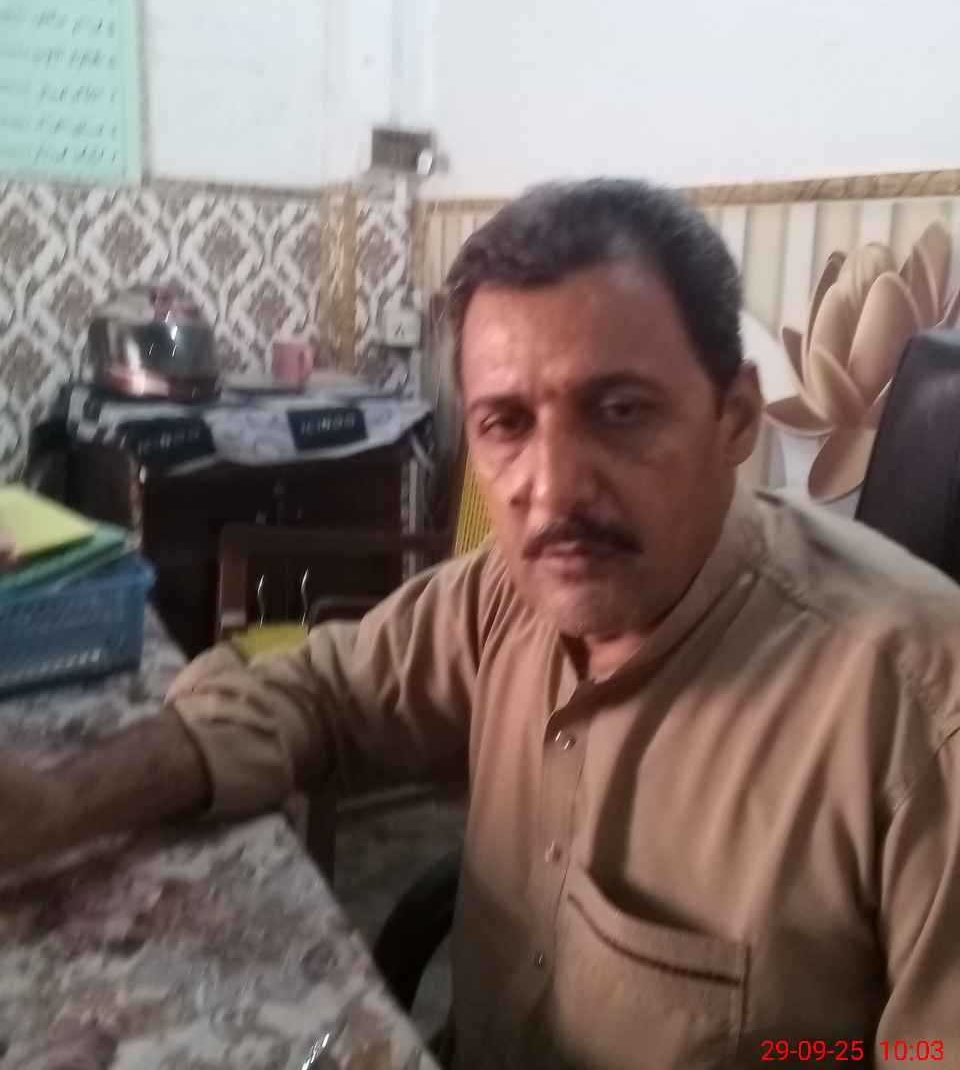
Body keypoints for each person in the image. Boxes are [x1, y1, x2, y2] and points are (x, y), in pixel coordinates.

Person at [2, 178, 959, 1069]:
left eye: (620, 411)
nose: (553, 490)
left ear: (736, 418)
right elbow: (317, 692)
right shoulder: (506, 595)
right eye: (506, 423)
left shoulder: (919, 717)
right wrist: (57, 804)